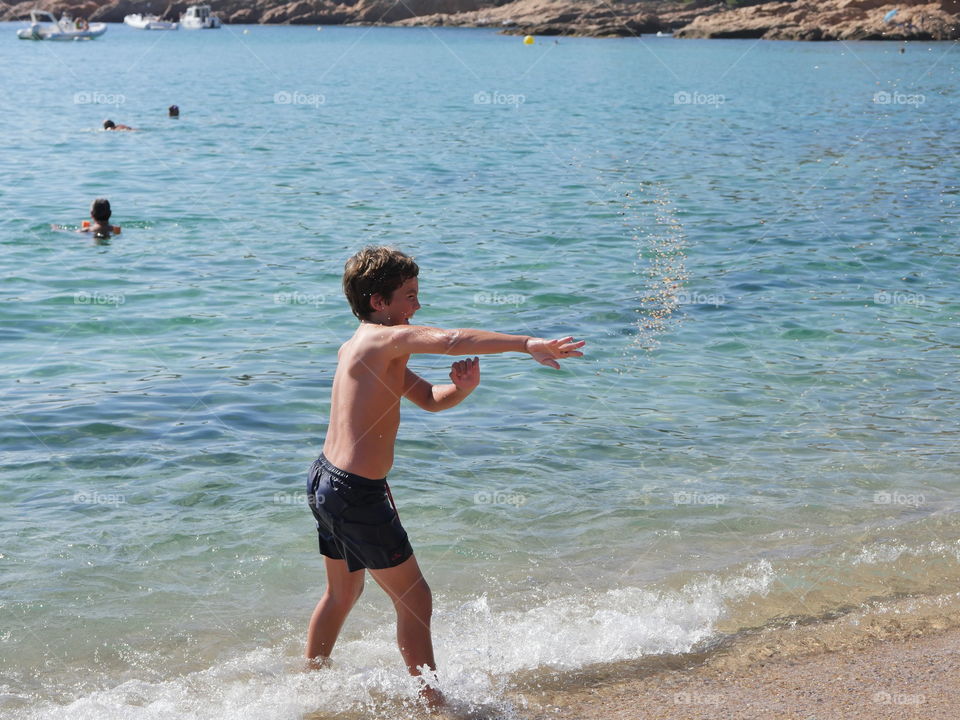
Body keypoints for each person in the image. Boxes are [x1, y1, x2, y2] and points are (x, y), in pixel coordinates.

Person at [304, 246, 585, 709]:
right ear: (379, 302)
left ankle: (309, 686)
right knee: (415, 598)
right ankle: (433, 704)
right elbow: (453, 339)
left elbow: (431, 398)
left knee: (342, 592)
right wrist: (525, 343)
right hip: (354, 492)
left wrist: (463, 388)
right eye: (409, 296)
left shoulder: (365, 347)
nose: (417, 307)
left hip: (329, 481)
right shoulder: (380, 340)